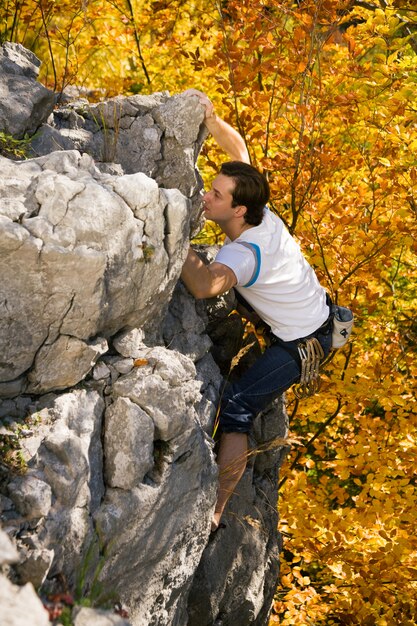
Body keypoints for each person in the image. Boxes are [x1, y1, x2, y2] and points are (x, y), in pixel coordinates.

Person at [181, 89, 333, 532]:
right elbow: (241, 151)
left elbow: (208, 285)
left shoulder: (246, 253)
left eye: (214, 195)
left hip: (302, 339)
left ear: (239, 209)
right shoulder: (258, 210)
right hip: (304, 308)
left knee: (238, 408)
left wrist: (176, 237)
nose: (205, 197)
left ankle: (217, 510)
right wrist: (210, 119)